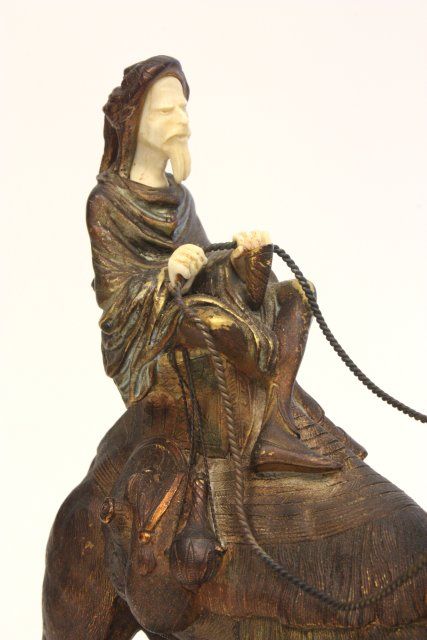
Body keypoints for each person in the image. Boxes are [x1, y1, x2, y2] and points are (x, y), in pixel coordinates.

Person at [87, 54, 362, 472]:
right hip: (151, 327)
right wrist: (167, 274)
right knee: (221, 326)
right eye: (165, 111)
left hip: (190, 303)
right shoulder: (107, 202)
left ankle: (277, 421)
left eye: (183, 108)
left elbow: (206, 264)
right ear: (134, 122)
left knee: (297, 294)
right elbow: (115, 298)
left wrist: (236, 262)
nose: (181, 120)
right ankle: (269, 426)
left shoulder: (180, 198)